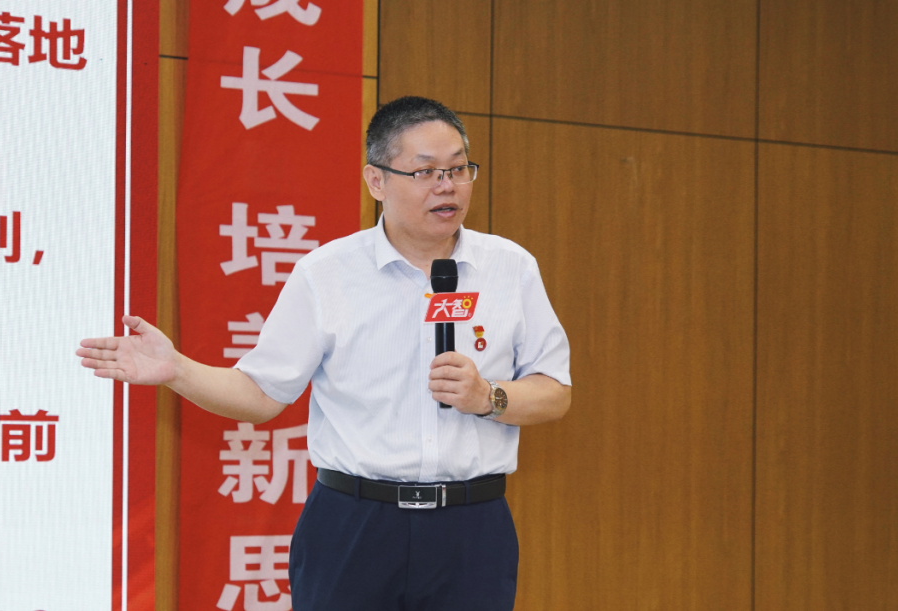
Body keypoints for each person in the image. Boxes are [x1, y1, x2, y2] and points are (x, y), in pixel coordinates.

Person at [77, 96, 571, 610]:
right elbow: (261, 394)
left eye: (457, 169)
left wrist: (488, 396)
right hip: (354, 525)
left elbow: (555, 392)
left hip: (472, 528)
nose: (447, 186)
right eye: (425, 171)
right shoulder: (327, 273)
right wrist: (176, 369)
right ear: (376, 181)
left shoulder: (511, 268)